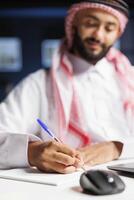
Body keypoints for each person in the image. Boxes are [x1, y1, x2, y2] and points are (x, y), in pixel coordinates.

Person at [0, 0, 133, 174]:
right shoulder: (38, 83)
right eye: (90, 24)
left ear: (117, 33)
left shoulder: (130, 79)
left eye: (109, 28)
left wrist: (116, 148)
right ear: (74, 25)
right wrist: (31, 152)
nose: (98, 35)